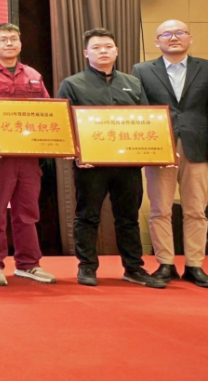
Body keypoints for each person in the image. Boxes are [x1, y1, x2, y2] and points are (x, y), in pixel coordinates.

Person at [56, 28, 166, 289]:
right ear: (86, 53)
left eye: (108, 47)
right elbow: (64, 124)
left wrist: (158, 149)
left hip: (128, 164)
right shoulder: (72, 84)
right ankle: (87, 267)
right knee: (87, 216)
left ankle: (133, 268)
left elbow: (147, 121)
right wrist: (77, 153)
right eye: (96, 47)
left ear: (116, 51)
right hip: (90, 164)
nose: (103, 51)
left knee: (128, 217)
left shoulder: (133, 83)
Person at [133, 20, 208, 288]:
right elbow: (140, 111)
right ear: (157, 42)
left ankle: (195, 265)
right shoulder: (141, 70)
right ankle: (165, 263)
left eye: (179, 33)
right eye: (166, 34)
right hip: (158, 146)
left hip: (198, 146)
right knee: (159, 209)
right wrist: (143, 148)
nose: (173, 37)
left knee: (196, 209)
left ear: (190, 38)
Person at [0, 23, 58, 286]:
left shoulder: (33, 74)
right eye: (2, 39)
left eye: (13, 39)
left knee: (28, 213)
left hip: (28, 157)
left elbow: (47, 113)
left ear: (20, 44)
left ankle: (28, 264)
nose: (9, 43)